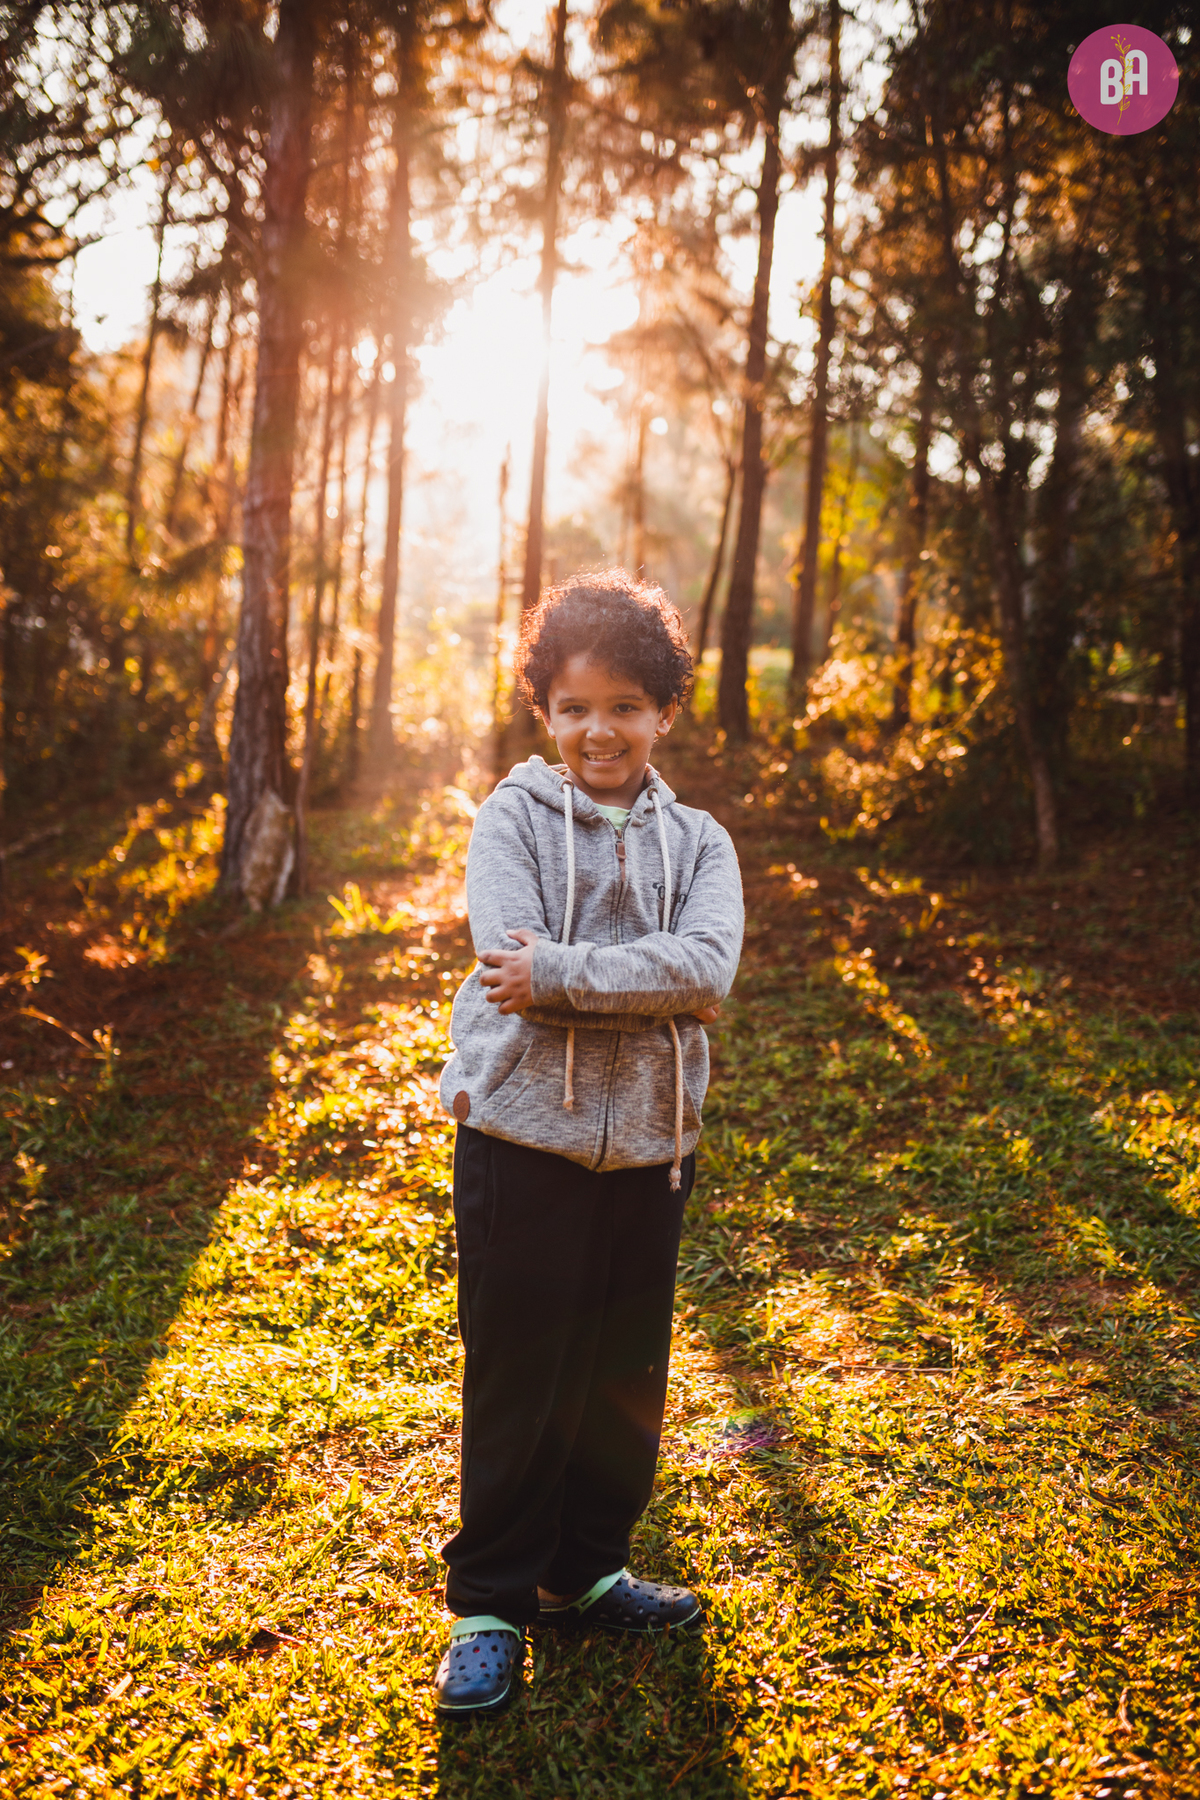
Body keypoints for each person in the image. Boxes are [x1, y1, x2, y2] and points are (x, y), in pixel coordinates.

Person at [433, 569, 744, 1716]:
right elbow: (506, 968)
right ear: (545, 715)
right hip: (524, 1140)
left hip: (653, 1147)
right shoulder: (511, 818)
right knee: (523, 1373)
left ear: (664, 711)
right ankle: (488, 1608)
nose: (598, 729)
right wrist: (616, 984)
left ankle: (586, 1571)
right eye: (574, 707)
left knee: (623, 1374)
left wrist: (565, 974)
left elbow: (705, 968)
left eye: (624, 704)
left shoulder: (703, 842)